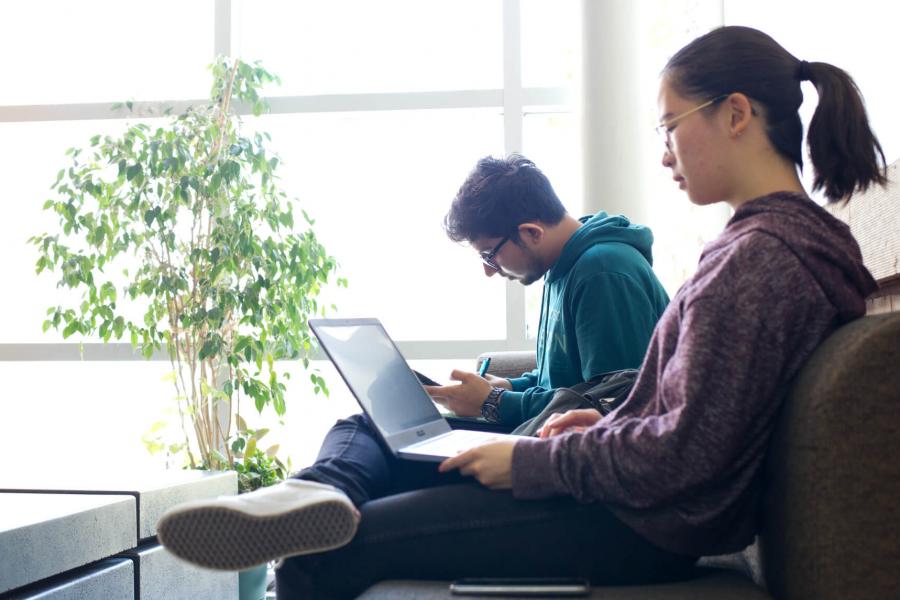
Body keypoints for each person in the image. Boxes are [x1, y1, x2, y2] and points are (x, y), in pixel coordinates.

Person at [160, 25, 885, 598]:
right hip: (625, 501)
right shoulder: (759, 249)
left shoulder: (761, 261)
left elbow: (685, 457)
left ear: (735, 115)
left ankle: (309, 508)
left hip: (633, 526)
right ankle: (305, 494)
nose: (663, 150)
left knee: (323, 558)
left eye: (670, 125)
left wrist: (537, 457)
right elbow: (689, 418)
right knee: (368, 441)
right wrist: (604, 422)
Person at [157, 156, 670, 570]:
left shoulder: (604, 272)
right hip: (534, 442)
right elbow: (573, 381)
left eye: (490, 255)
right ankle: (312, 493)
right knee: (365, 426)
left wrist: (494, 403)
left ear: (530, 232)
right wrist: (494, 387)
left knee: (317, 555)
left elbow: (614, 403)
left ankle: (317, 497)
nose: (491, 272)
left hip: (561, 477)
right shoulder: (565, 269)